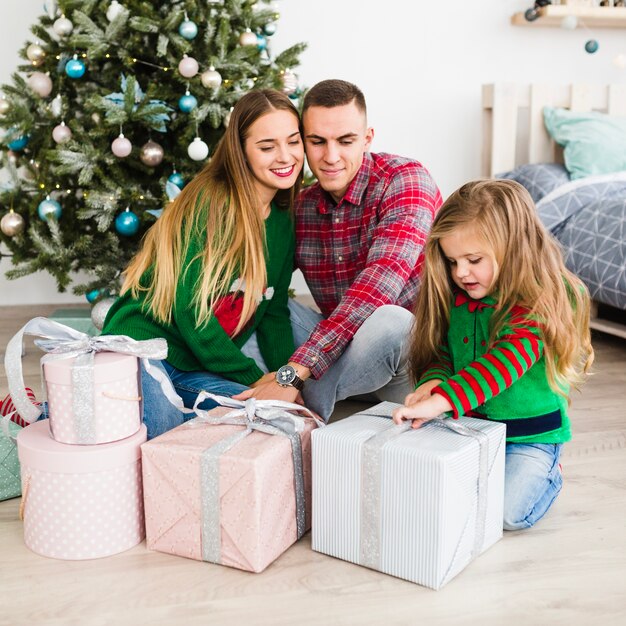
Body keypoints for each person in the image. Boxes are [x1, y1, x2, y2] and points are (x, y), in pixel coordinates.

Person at [392, 179, 594, 530]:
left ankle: (550, 472)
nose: (460, 273)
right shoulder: (460, 297)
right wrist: (433, 382)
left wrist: (441, 401)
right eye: (452, 261)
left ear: (513, 248)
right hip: (470, 427)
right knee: (428, 492)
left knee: (506, 515)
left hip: (530, 437)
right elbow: (443, 352)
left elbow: (503, 362)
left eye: (473, 260)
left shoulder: (539, 304)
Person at [235, 79, 443, 421]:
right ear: (302, 141)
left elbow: (377, 290)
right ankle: (271, 391)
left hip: (408, 368)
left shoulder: (405, 180)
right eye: (317, 142)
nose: (331, 157)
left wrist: (293, 372)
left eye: (345, 141)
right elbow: (265, 289)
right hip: (343, 359)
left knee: (392, 322)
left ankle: (290, 399)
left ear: (367, 138)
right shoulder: (301, 206)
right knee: (253, 306)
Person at [102, 89, 304, 439]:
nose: (285, 156)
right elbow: (193, 313)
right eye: (267, 146)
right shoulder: (212, 203)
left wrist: (286, 381)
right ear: (241, 151)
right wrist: (255, 379)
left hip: (192, 365)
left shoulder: (283, 220)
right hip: (143, 349)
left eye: (293, 141)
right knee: (159, 430)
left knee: (273, 417)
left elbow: (273, 314)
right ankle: (41, 409)